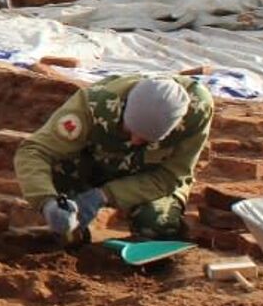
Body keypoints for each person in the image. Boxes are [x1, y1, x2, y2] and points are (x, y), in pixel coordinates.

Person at [14, 74, 213, 242]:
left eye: (146, 140)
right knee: (62, 211)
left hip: (150, 178)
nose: (135, 141)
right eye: (130, 131)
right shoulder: (94, 104)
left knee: (156, 225)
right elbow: (34, 151)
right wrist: (46, 201)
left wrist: (104, 195)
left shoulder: (197, 111)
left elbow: (171, 176)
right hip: (95, 166)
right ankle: (72, 239)